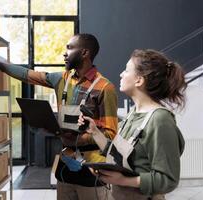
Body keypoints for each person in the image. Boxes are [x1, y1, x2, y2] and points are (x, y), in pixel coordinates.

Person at [0, 33, 118, 200]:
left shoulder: (105, 88)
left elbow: (110, 135)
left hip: (93, 170)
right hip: (66, 167)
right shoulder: (61, 79)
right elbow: (27, 74)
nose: (64, 53)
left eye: (69, 48)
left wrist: (78, 139)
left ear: (84, 53)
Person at [78, 49, 186, 200]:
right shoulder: (133, 114)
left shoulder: (160, 120)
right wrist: (94, 131)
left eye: (126, 70)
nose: (121, 74)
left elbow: (168, 180)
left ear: (139, 80)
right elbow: (119, 155)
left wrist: (123, 180)